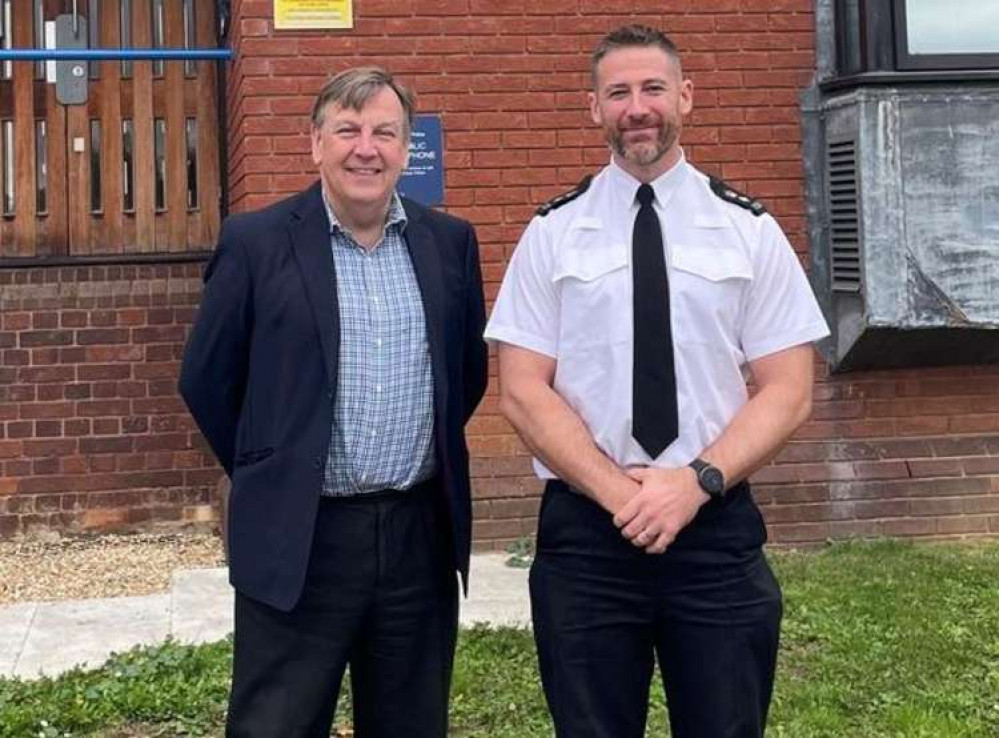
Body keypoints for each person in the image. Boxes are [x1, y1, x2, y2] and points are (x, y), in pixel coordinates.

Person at [484, 24, 830, 738]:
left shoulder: (747, 230)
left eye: (651, 88)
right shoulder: (552, 231)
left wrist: (693, 483)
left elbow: (789, 387)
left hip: (713, 527)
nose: (636, 107)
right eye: (617, 93)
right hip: (587, 535)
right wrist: (622, 495)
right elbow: (521, 388)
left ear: (685, 96)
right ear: (593, 108)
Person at [179, 66, 488, 738]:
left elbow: (465, 376)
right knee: (276, 725)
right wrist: (271, 465)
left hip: (416, 539)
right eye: (347, 130)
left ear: (407, 149)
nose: (365, 148)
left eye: (384, 132)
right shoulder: (255, 242)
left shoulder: (449, 244)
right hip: (300, 537)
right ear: (315, 144)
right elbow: (206, 379)